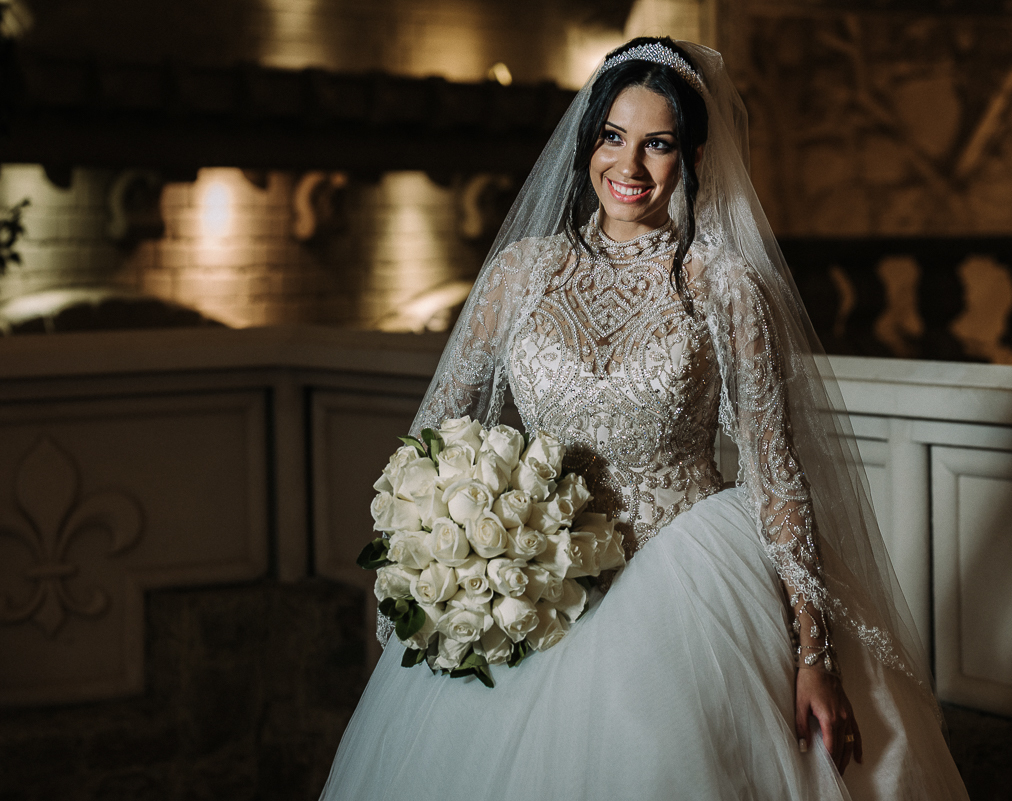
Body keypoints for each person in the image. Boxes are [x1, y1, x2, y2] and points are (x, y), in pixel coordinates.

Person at [320, 38, 970, 800]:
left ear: (693, 153)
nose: (628, 168)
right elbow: (431, 440)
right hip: (531, 589)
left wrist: (813, 656)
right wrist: (446, 551)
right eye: (613, 138)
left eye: (656, 144)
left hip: (691, 597)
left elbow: (776, 471)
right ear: (588, 141)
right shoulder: (521, 274)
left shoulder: (723, 285)